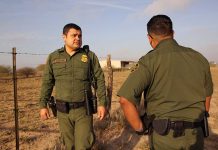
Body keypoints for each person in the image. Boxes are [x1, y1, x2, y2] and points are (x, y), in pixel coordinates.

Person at [118, 14, 213, 150]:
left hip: (164, 138)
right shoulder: (199, 58)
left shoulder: (149, 61)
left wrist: (140, 128)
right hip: (195, 135)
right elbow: (207, 96)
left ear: (149, 38)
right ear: (173, 33)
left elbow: (125, 100)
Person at [39, 23, 107, 150]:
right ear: (64, 37)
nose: (78, 38)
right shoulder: (54, 57)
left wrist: (102, 103)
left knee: (83, 145)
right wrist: (43, 105)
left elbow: (100, 80)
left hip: (83, 110)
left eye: (80, 36)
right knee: (68, 145)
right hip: (63, 112)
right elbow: (47, 82)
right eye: (74, 35)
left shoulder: (89, 56)